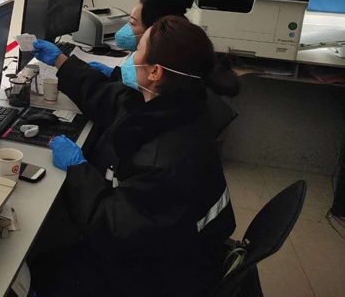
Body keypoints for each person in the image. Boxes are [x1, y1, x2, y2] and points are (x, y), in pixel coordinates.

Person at [29, 16, 238, 296]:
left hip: (160, 275)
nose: (131, 56)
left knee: (43, 265)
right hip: (167, 242)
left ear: (155, 72)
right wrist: (61, 62)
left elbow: (110, 228)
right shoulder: (177, 104)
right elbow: (109, 99)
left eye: (138, 49)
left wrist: (79, 170)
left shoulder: (164, 160)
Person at [89, 0, 194, 77]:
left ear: (152, 30)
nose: (126, 27)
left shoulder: (157, 74)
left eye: (132, 23)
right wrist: (115, 74)